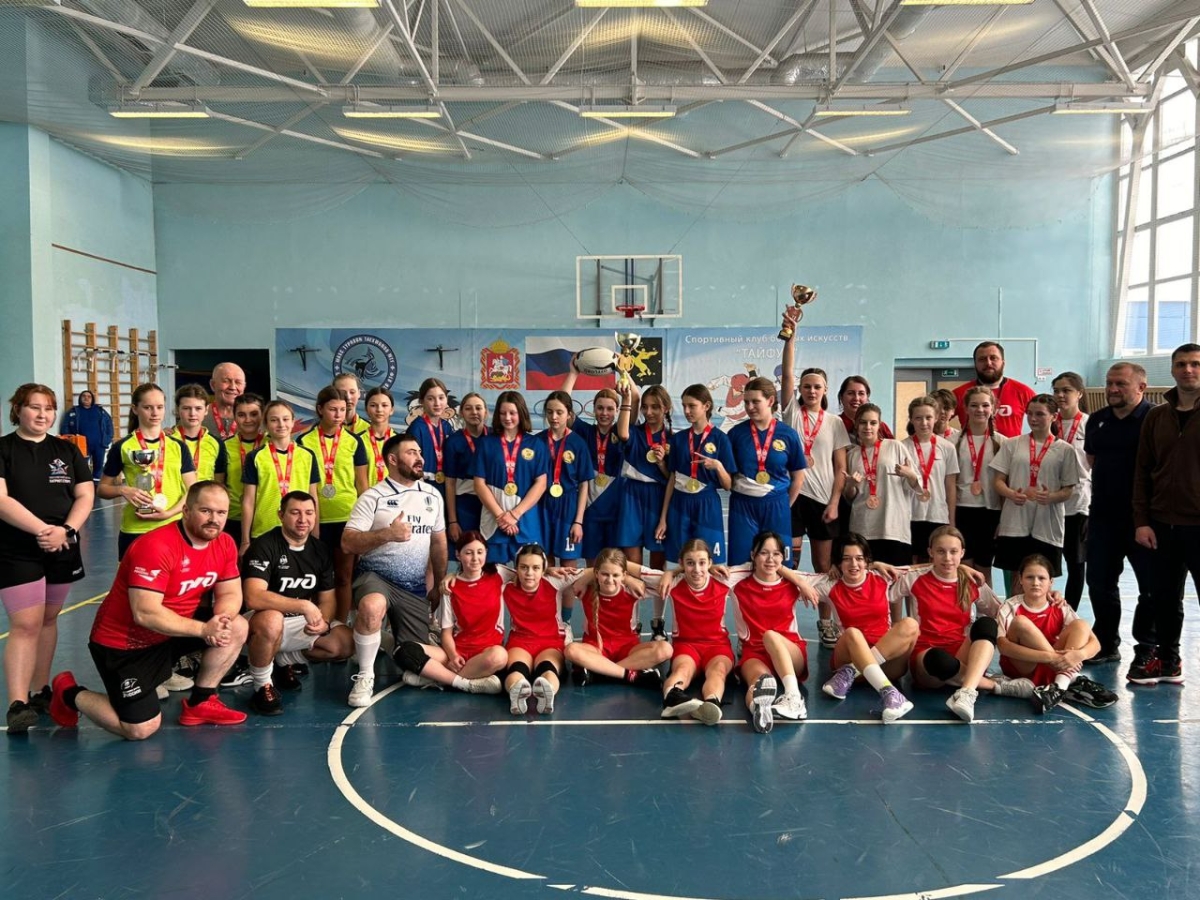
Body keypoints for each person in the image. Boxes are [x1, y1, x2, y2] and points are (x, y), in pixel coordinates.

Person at [48, 482, 248, 739]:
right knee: (141, 729)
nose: (214, 519)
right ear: (186, 511)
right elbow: (145, 613)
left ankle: (201, 701)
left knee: (237, 625)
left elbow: (230, 593)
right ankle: (68, 693)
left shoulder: (225, 543)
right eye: (206, 511)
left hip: (172, 631)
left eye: (221, 513)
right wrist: (203, 629)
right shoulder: (156, 546)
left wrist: (222, 619)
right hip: (125, 643)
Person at [0, 384, 94, 733]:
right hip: (17, 549)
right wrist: (43, 530)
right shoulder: (3, 449)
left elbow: (85, 494)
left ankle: (40, 690)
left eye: (49, 408)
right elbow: (1, 499)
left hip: (61, 546)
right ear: (18, 410)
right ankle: (17, 703)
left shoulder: (66, 449)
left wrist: (66, 531)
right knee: (25, 624)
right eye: (34, 407)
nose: (43, 414)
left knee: (48, 619)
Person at [341, 433, 447, 707]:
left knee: (416, 656)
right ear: (392, 459)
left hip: (413, 586)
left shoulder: (433, 496)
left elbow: (438, 542)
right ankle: (365, 675)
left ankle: (384, 640)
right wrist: (387, 534)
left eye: (419, 452)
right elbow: (348, 542)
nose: (419, 458)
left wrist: (439, 584)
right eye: (411, 453)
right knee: (372, 606)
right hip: (375, 576)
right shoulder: (373, 496)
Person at [892, 526, 1034, 723]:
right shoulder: (914, 578)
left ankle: (966, 692)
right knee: (938, 659)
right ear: (930, 552)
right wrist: (875, 565)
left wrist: (1045, 597)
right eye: (940, 551)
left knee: (986, 624)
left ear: (962, 553)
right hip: (927, 660)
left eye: (953, 552)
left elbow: (1002, 612)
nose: (947, 558)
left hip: (962, 653)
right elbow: (876, 585)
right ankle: (994, 686)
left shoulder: (971, 581)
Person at [242, 491, 354, 716]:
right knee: (273, 619)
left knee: (345, 643)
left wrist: (324, 622)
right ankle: (262, 685)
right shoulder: (264, 545)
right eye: (295, 513)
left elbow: (327, 598)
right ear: (281, 515)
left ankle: (283, 661)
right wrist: (304, 606)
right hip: (258, 625)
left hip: (297, 624)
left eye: (309, 513)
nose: (303, 519)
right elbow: (253, 597)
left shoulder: (320, 550)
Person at [1131, 343, 1200, 686]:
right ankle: (1169, 661)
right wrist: (1142, 521)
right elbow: (1142, 471)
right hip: (1161, 525)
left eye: (1196, 364)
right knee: (1165, 599)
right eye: (1182, 364)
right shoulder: (1157, 416)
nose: (1189, 370)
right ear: (1172, 370)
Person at [1084, 362, 1155, 665]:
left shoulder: (1155, 419)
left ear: (1141, 387)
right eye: (1109, 383)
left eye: (1120, 384)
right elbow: (1091, 460)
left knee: (1151, 588)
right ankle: (1105, 643)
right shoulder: (1097, 420)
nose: (1112, 389)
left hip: (1145, 521)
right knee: (1099, 583)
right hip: (1103, 518)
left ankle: (1148, 648)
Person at [780, 346, 850, 647]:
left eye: (817, 386)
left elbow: (840, 467)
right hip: (793, 499)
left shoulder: (834, 422)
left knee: (823, 567)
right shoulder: (791, 414)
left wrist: (834, 502)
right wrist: (790, 337)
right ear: (800, 389)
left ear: (825, 390)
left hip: (823, 502)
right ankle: (785, 621)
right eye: (806, 386)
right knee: (790, 565)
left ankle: (825, 622)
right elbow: (786, 374)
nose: (811, 391)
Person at [811, 533, 918, 724]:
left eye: (859, 558)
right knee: (853, 633)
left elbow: (927, 569)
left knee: (910, 624)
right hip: (849, 655)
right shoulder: (830, 584)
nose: (854, 564)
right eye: (846, 559)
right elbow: (786, 576)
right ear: (838, 563)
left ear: (867, 560)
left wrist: (961, 567)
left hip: (886, 663)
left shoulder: (883, 577)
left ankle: (851, 672)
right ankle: (890, 693)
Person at [995, 554, 1116, 714]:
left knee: (1081, 624)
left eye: (1041, 578)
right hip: (1023, 668)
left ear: (1051, 582)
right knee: (1021, 623)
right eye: (1030, 577)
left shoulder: (1059, 606)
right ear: (1020, 580)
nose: (1036, 583)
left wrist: (1079, 655)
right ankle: (1072, 678)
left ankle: (1058, 687)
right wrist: (1052, 657)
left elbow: (1095, 644)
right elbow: (1003, 646)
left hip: (1053, 670)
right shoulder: (1010, 606)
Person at [391, 530, 505, 694]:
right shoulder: (450, 587)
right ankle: (465, 683)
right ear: (458, 555)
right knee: (404, 650)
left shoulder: (498, 575)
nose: (475, 558)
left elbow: (529, 574)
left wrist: (549, 571)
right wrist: (453, 656)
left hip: (486, 652)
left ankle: (438, 678)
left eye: (480, 552)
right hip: (458, 649)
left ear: (486, 553)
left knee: (500, 656)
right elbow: (446, 633)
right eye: (468, 553)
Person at [728, 531, 819, 733]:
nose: (770, 559)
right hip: (756, 652)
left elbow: (837, 578)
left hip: (790, 652)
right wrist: (672, 573)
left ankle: (794, 698)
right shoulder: (737, 583)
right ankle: (759, 711)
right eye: (764, 553)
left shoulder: (794, 582)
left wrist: (874, 566)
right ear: (753, 555)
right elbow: (700, 570)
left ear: (783, 557)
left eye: (776, 554)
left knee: (770, 635)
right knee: (757, 683)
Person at [98, 383, 196, 559]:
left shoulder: (178, 447)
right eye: (148, 407)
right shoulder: (123, 446)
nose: (155, 413)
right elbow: (102, 489)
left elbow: (193, 490)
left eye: (159, 407)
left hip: (173, 526)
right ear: (135, 409)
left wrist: (169, 513)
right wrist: (122, 490)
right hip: (135, 529)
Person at [990, 394, 1079, 589]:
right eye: (1029, 413)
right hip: (1015, 523)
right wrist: (1011, 494)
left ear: (1054, 416)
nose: (1033, 418)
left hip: (1047, 525)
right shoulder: (1012, 444)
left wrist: (1051, 497)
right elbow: (998, 481)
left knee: (1041, 582)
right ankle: (1013, 610)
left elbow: (1068, 490)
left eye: (1039, 414)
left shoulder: (1065, 450)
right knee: (1015, 581)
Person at [297, 386, 368, 622]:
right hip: (314, 519)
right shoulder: (304, 440)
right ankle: (315, 623)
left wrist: (365, 521)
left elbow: (362, 484)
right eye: (332, 409)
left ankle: (340, 624)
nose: (338, 415)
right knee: (314, 576)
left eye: (342, 410)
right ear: (320, 409)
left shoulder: (354, 442)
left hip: (346, 518)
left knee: (344, 576)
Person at [726, 377, 806, 566]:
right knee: (740, 564)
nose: (749, 407)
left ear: (770, 401)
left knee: (777, 564)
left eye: (755, 401)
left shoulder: (788, 434)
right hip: (742, 506)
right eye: (746, 402)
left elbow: (798, 477)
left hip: (777, 505)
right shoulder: (735, 434)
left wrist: (784, 505)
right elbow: (727, 476)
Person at [562, 548, 670, 686]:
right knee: (570, 650)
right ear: (596, 573)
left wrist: (630, 578)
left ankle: (600, 671)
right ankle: (628, 674)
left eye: (616, 575)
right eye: (605, 574)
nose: (610, 580)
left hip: (627, 648)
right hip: (595, 646)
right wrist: (588, 576)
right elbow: (558, 578)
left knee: (665, 649)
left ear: (623, 575)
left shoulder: (632, 590)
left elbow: (664, 581)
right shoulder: (584, 587)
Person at [653, 539, 733, 724]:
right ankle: (671, 699)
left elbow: (764, 567)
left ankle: (711, 704)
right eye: (690, 563)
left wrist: (798, 580)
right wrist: (670, 572)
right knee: (682, 670)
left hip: (718, 646)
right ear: (681, 563)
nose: (697, 569)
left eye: (702, 563)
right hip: (686, 645)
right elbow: (624, 568)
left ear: (710, 563)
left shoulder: (724, 579)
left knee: (718, 671)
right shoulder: (672, 583)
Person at [656, 384, 733, 565]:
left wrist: (718, 466)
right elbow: (672, 479)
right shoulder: (678, 439)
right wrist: (663, 518)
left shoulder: (721, 439)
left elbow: (728, 485)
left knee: (709, 561)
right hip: (679, 503)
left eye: (692, 406)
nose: (686, 411)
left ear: (706, 406)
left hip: (707, 504)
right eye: (684, 406)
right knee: (678, 561)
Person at [471, 391, 548, 564]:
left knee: (528, 574)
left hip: (525, 521)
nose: (507, 418)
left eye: (512, 413)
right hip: (494, 521)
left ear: (521, 413)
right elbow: (479, 484)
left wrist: (515, 514)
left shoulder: (536, 444)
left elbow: (541, 484)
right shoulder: (486, 443)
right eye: (503, 413)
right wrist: (501, 516)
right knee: (493, 575)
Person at [500, 543, 573, 716]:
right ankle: (516, 692)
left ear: (543, 569)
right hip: (520, 641)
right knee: (517, 669)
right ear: (516, 568)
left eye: (536, 568)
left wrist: (628, 578)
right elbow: (477, 569)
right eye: (524, 567)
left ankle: (548, 693)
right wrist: (451, 575)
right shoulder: (507, 585)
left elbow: (596, 571)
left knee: (547, 669)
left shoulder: (555, 582)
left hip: (550, 642)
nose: (529, 573)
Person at [561, 366, 624, 567]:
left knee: (615, 564)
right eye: (600, 408)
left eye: (610, 409)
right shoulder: (584, 431)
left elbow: (633, 405)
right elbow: (562, 404)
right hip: (590, 509)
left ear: (617, 411)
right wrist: (573, 373)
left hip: (616, 509)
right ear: (593, 409)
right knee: (593, 565)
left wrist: (624, 374)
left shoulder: (623, 432)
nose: (604, 413)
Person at [843, 403, 919, 567]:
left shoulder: (895, 446)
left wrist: (909, 474)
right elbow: (850, 497)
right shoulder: (852, 455)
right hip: (863, 527)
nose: (868, 427)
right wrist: (850, 485)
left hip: (893, 526)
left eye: (873, 422)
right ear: (856, 425)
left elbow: (916, 485)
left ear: (879, 425)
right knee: (867, 577)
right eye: (863, 422)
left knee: (896, 578)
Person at [241, 399, 321, 552]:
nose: (281, 424)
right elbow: (249, 500)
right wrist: (245, 540)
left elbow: (313, 497)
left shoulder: (308, 455)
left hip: (300, 532)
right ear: (266, 424)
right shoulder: (255, 457)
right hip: (264, 531)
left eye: (285, 419)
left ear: (293, 422)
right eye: (274, 420)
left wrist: (315, 532)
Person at [615, 382, 673, 570]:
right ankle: (635, 590)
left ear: (666, 408)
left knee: (657, 561)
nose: (648, 412)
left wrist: (661, 463)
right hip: (631, 495)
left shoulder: (673, 439)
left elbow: (671, 478)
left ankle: (656, 590)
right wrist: (626, 395)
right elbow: (622, 433)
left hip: (659, 496)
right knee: (632, 559)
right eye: (645, 407)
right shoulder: (635, 431)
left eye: (655, 407)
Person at [953, 386, 1006, 584]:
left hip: (990, 512)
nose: (980, 410)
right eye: (974, 405)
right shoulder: (952, 442)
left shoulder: (1002, 443)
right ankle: (965, 605)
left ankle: (986, 605)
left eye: (985, 405)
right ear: (966, 408)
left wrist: (1003, 519)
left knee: (984, 569)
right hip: (962, 510)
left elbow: (1005, 483)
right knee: (964, 568)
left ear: (993, 408)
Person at [538, 390, 594, 571]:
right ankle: (547, 592)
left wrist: (578, 521)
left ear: (569, 414)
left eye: (559, 412)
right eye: (549, 412)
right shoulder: (537, 441)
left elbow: (584, 484)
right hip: (542, 504)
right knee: (544, 560)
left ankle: (568, 594)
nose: (554, 417)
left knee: (568, 563)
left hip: (568, 506)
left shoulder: (578, 443)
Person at [902, 395, 959, 564]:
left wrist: (951, 521)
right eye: (918, 418)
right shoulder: (902, 447)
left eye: (928, 417)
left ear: (936, 418)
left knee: (934, 563)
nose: (924, 423)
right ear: (911, 419)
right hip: (909, 514)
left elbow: (950, 487)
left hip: (937, 515)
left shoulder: (947, 447)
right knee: (911, 564)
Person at [1051, 372, 1091, 611]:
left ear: (1079, 393)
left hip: (1077, 504)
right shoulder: (1049, 422)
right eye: (1056, 390)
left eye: (1066, 390)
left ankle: (1070, 614)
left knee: (1075, 564)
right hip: (1050, 503)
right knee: (1048, 561)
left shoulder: (1088, 424)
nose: (1060, 395)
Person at [952, 341, 1036, 439]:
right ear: (975, 364)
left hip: (1011, 448)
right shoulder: (959, 394)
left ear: (1003, 363)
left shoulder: (1023, 392)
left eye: (993, 358)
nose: (988, 363)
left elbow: (1045, 419)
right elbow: (938, 420)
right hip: (971, 448)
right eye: (982, 359)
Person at [443, 392, 488, 545]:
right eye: (468, 408)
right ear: (461, 413)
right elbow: (450, 483)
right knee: (467, 549)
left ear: (486, 412)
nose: (474, 412)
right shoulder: (453, 442)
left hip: (491, 503)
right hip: (465, 505)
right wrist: (453, 521)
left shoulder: (495, 437)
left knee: (490, 551)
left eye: (478, 408)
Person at [221, 392, 264, 542]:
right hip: (232, 517)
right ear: (234, 416)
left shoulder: (271, 444)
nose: (248, 420)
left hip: (263, 517)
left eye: (254, 414)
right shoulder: (224, 446)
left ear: (263, 415)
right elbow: (219, 484)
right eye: (241, 415)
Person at [171, 384, 229, 483]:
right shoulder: (168, 439)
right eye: (186, 408)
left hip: (206, 493)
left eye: (198, 408)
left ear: (206, 410)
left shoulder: (217, 444)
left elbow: (218, 483)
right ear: (177, 409)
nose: (192, 413)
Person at [61, 389, 112, 480]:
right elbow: (65, 427)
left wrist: (108, 439)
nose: (86, 398)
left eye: (89, 396)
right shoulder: (74, 411)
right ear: (80, 398)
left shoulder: (100, 411)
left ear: (92, 399)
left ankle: (96, 486)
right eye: (84, 396)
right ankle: (85, 485)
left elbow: (109, 424)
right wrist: (70, 442)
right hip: (81, 446)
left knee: (98, 468)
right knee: (82, 468)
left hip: (99, 445)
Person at [837, 376, 895, 444]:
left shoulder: (881, 427)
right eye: (850, 393)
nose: (856, 398)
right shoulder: (834, 424)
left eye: (861, 393)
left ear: (867, 398)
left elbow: (893, 448)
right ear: (841, 397)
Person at [363, 386, 398, 488]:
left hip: (394, 495)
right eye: (373, 405)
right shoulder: (358, 441)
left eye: (384, 405)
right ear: (366, 410)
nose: (379, 409)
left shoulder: (399, 441)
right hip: (367, 495)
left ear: (392, 410)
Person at [202, 362, 247, 440]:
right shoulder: (197, 415)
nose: (233, 387)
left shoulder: (255, 419)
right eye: (226, 381)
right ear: (213, 385)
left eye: (238, 382)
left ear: (244, 387)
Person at [334, 372, 371, 437]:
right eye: (342, 393)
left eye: (352, 392)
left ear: (359, 393)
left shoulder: (369, 429)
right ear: (333, 394)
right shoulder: (323, 427)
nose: (348, 397)